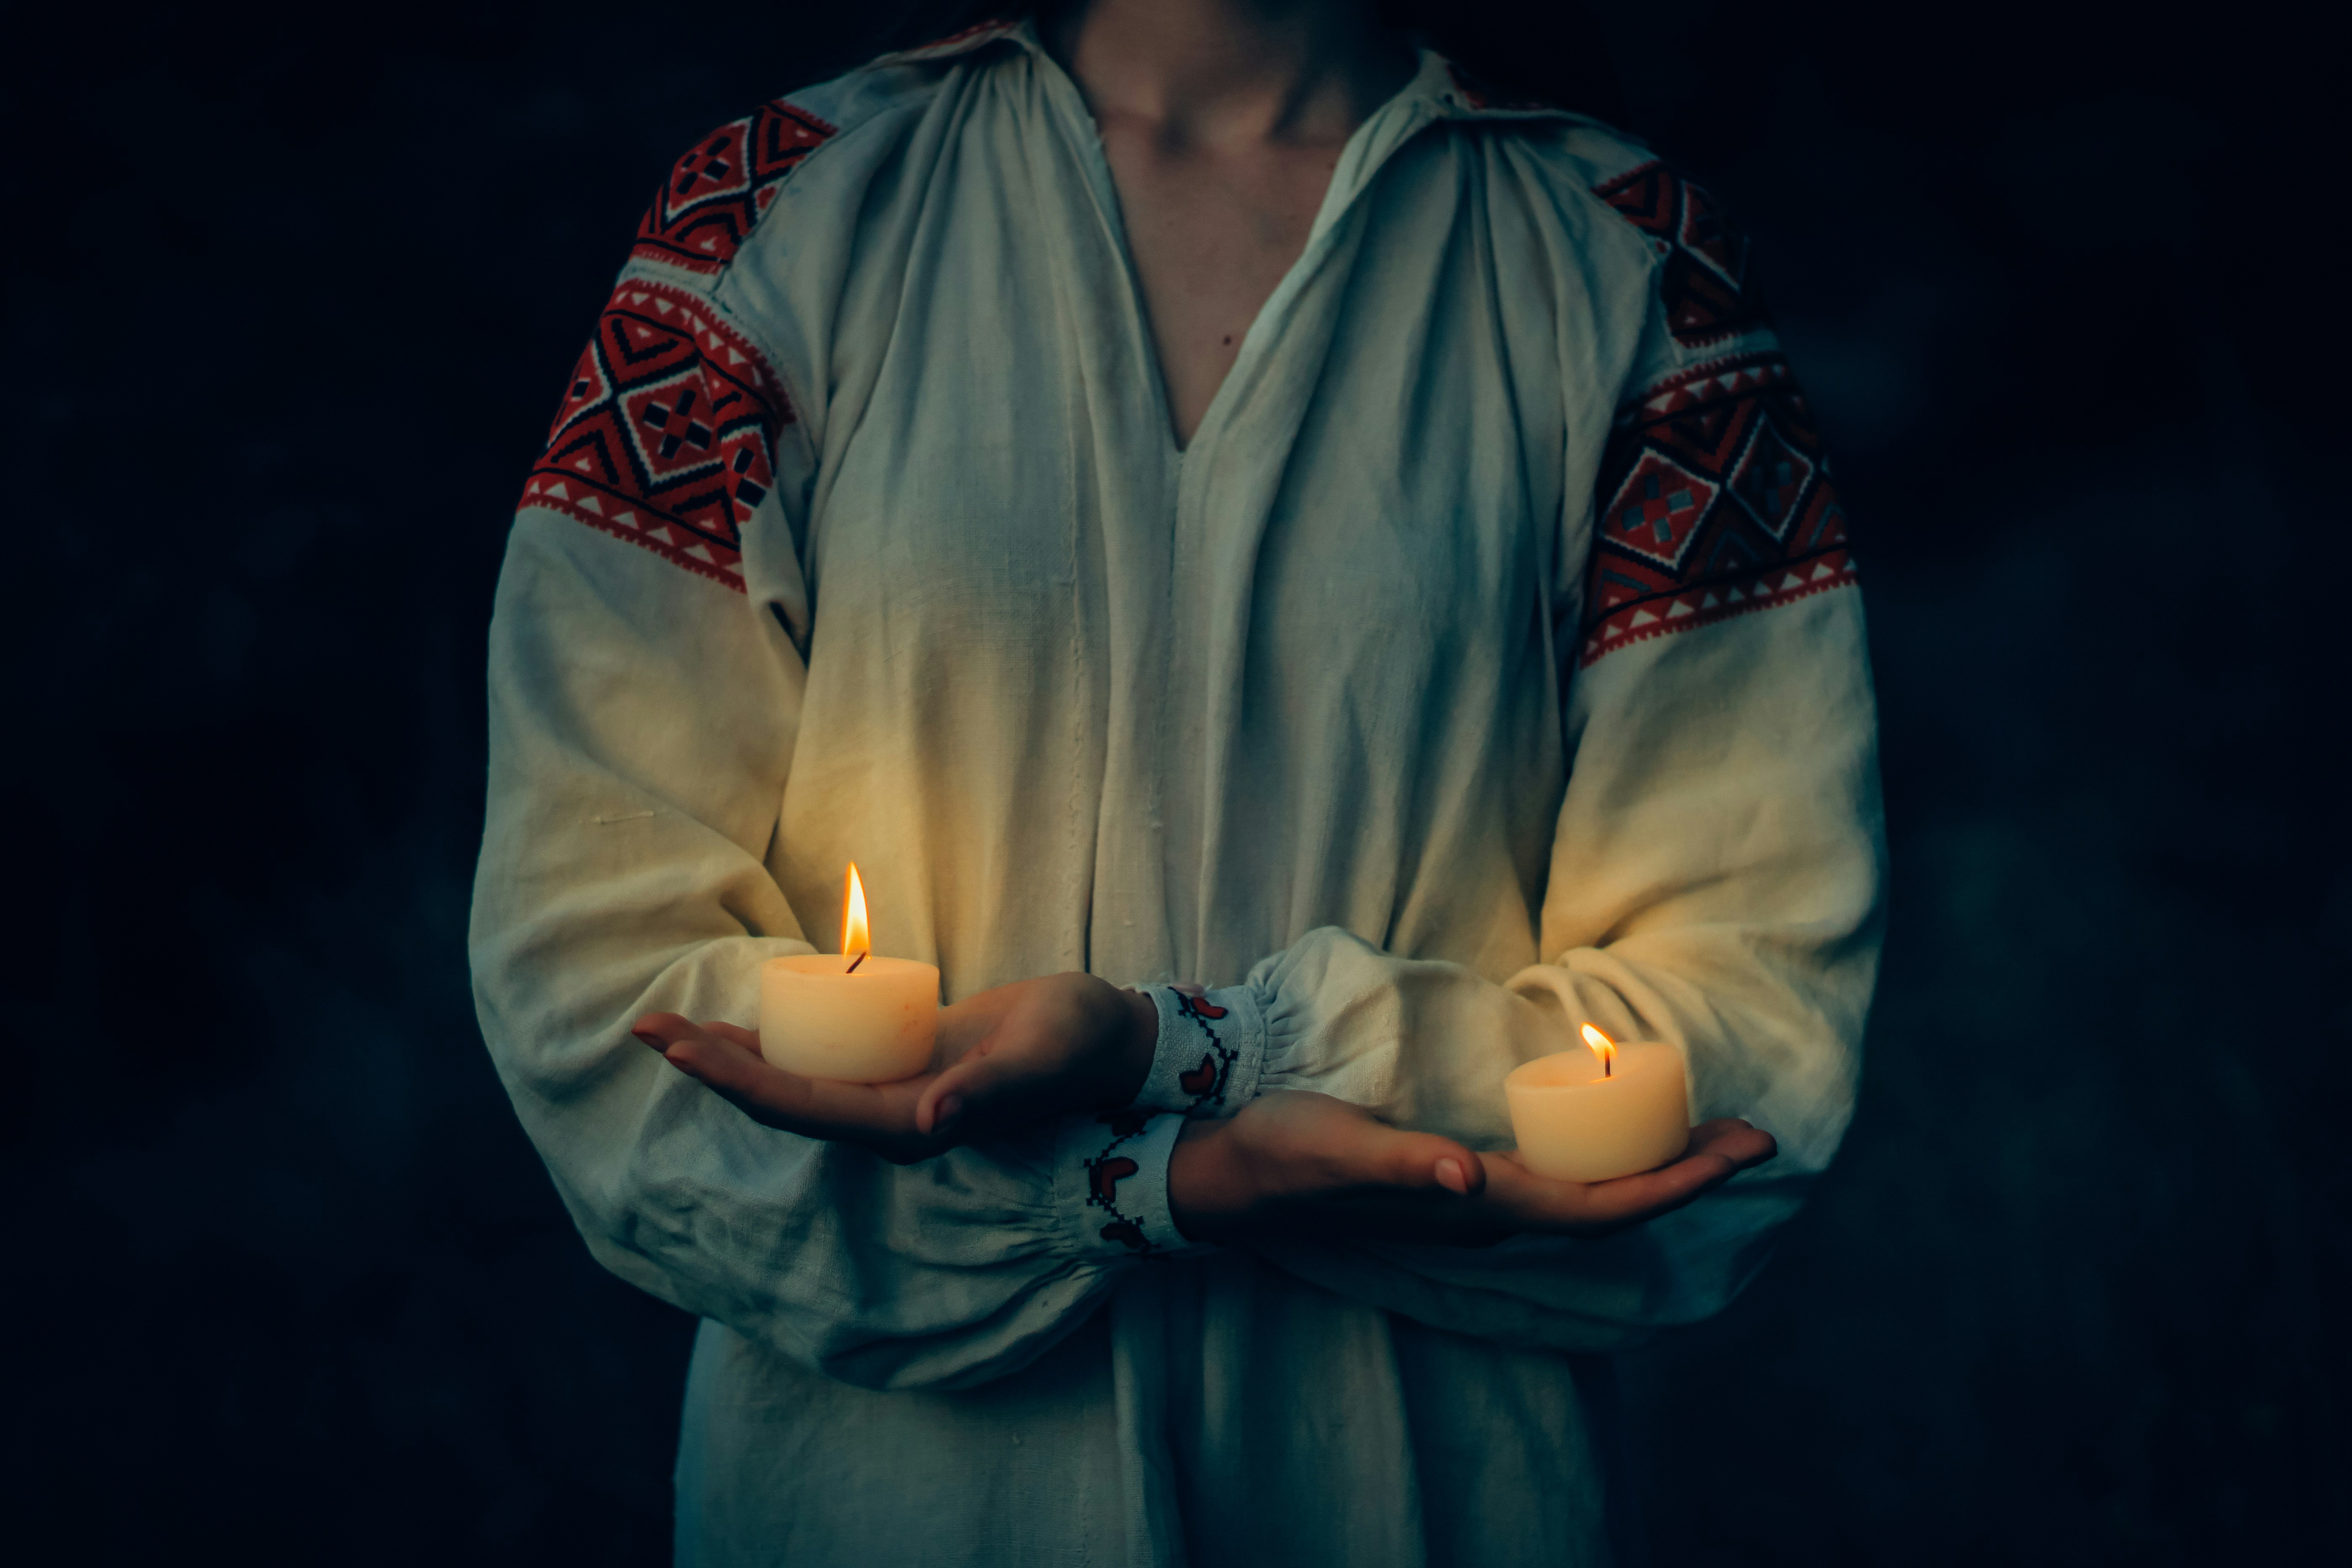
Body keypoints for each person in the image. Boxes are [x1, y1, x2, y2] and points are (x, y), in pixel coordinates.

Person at [469, 0, 1883, 1560]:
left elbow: (1747, 1033)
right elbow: (598, 972)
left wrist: (1223, 1052)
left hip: (1419, 1498)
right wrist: (1145, 1187)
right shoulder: (781, 221)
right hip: (888, 1509)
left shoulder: (1626, 269)